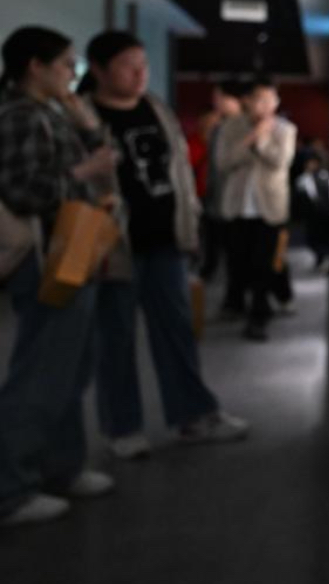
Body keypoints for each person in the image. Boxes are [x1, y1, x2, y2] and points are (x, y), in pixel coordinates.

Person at [80, 31, 249, 458]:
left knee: (175, 331)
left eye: (143, 64)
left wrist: (188, 229)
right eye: (127, 66)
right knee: (115, 337)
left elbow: (180, 175)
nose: (139, 74)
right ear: (98, 70)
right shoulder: (82, 117)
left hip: (165, 239)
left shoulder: (156, 108)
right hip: (110, 244)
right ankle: (122, 426)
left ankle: (192, 414)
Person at [0, 27, 118, 525]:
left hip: (73, 248)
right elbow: (23, 190)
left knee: (70, 362)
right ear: (35, 66)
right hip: (49, 252)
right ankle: (12, 487)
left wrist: (86, 124)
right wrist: (84, 173)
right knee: (44, 367)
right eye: (66, 64)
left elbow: (103, 158)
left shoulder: (52, 112)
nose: (73, 74)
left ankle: (60, 465)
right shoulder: (21, 116)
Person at [217, 77, 297, 341]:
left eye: (270, 100)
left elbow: (280, 162)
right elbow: (223, 163)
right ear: (247, 101)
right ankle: (239, 303)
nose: (265, 105)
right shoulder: (230, 126)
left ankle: (259, 316)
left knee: (265, 264)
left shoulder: (285, 130)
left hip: (270, 207)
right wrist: (251, 137)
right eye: (259, 99)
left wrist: (262, 140)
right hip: (237, 206)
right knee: (238, 262)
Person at [191, 80, 243, 280]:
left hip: (237, 199)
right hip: (214, 194)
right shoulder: (218, 128)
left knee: (237, 249)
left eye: (219, 97)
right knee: (214, 240)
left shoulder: (244, 127)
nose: (216, 102)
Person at [295, 154, 329, 272]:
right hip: (311, 215)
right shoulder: (302, 180)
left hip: (325, 214)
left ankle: (326, 259)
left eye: (314, 162)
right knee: (313, 239)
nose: (312, 165)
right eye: (309, 162)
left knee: (325, 237)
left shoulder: (324, 177)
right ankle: (321, 258)